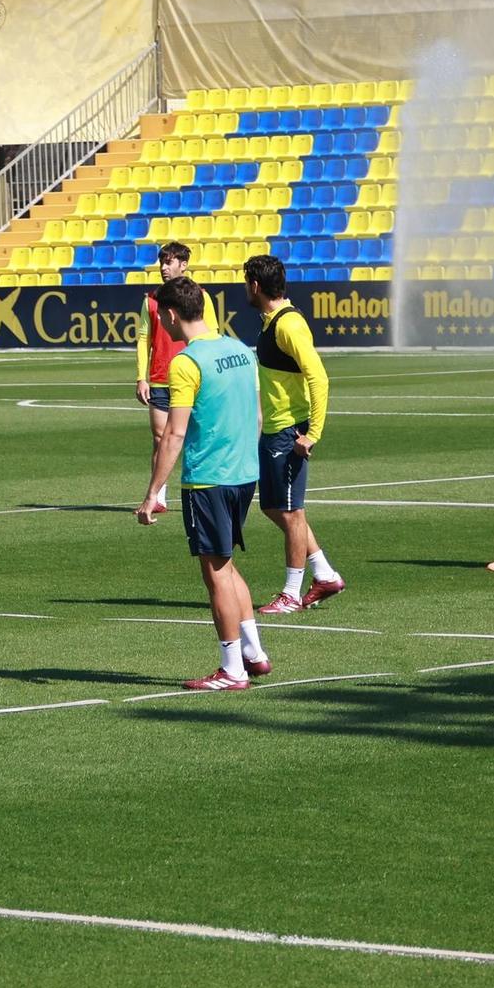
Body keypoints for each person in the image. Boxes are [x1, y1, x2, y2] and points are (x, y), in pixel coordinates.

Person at [136, 276, 271, 691]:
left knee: (214, 573)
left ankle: (231, 669)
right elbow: (258, 414)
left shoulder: (186, 362)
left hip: (208, 478)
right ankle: (254, 653)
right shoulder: (240, 350)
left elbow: (174, 434)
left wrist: (152, 493)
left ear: (172, 315)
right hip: (244, 473)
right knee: (226, 564)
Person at [243, 254, 346, 614]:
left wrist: (311, 433)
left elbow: (319, 377)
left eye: (246, 282)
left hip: (290, 430)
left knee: (292, 512)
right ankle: (324, 573)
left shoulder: (289, 325)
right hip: (274, 429)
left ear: (255, 285)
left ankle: (291, 593)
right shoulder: (271, 320)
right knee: (274, 507)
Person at [134, 241, 220, 513]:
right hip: (161, 377)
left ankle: (204, 489)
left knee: (198, 435)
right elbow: (143, 338)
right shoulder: (151, 299)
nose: (163, 267)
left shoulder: (201, 297)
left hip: (194, 375)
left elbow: (213, 332)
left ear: (183, 265)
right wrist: (141, 377)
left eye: (168, 262)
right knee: (161, 437)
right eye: (161, 262)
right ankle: (158, 494)